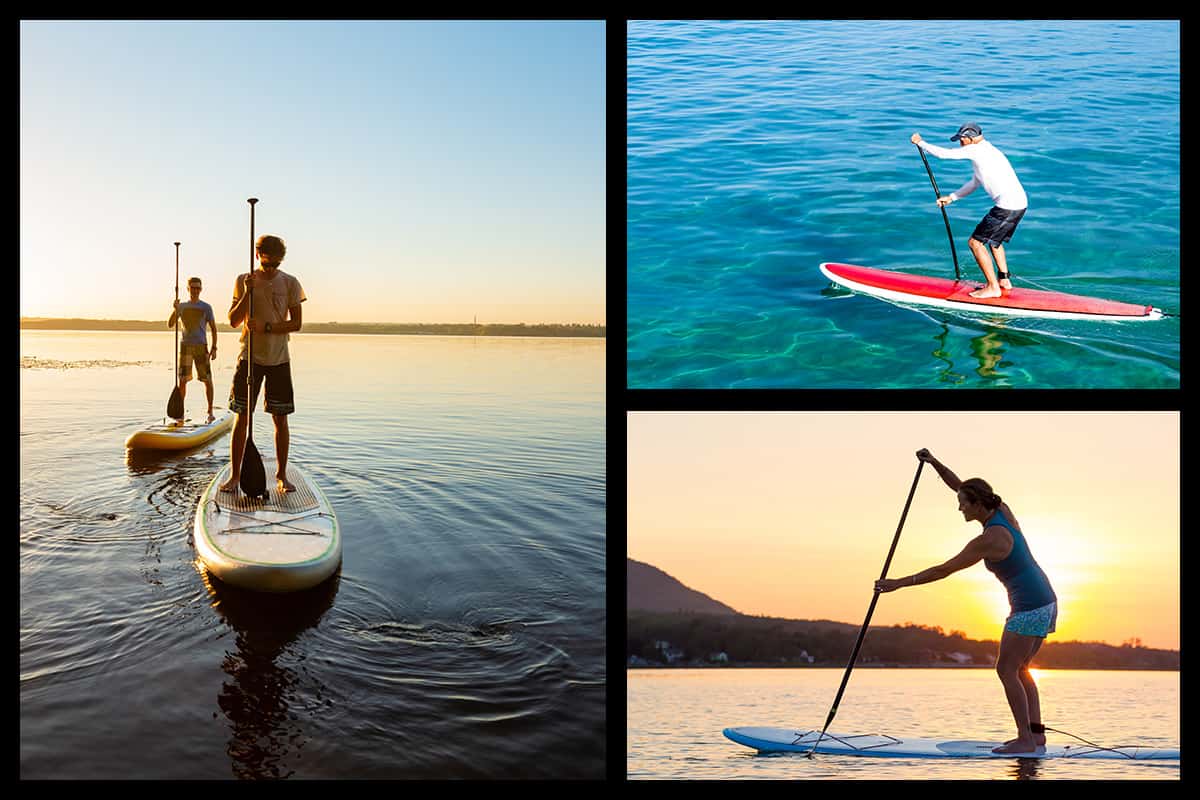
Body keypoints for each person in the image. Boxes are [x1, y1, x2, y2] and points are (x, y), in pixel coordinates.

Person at [874, 448, 1057, 755]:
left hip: (1028, 607)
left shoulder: (988, 540)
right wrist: (934, 464)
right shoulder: (1002, 511)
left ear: (976, 504)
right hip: (1047, 601)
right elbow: (959, 484)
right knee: (1021, 667)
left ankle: (1025, 738)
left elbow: (944, 570)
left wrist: (898, 584)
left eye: (962, 504)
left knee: (1006, 669)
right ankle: (1036, 735)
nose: (959, 509)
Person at [219, 234, 306, 495]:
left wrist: (267, 326)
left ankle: (281, 475)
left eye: (275, 264)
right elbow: (234, 320)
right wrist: (248, 292)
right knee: (242, 416)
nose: (271, 268)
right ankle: (235, 476)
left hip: (279, 359)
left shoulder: (290, 283)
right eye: (267, 263)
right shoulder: (243, 280)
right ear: (258, 256)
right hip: (249, 359)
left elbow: (296, 323)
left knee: (281, 419)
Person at [910, 123, 1029, 299]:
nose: (960, 143)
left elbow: (944, 154)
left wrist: (921, 143)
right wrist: (952, 197)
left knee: (975, 243)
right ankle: (1004, 280)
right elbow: (975, 182)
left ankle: (992, 288)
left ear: (970, 138)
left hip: (1007, 206)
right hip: (1019, 203)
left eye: (961, 140)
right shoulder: (988, 152)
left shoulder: (977, 150)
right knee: (995, 242)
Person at [167, 277, 218, 422]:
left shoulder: (206, 307)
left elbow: (214, 329)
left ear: (201, 290)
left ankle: (210, 410)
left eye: (198, 288)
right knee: (182, 380)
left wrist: (214, 347)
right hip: (185, 347)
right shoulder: (182, 306)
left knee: (207, 379)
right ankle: (180, 413)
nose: (195, 290)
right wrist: (174, 309)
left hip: (201, 347)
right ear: (188, 289)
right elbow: (170, 324)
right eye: (193, 288)